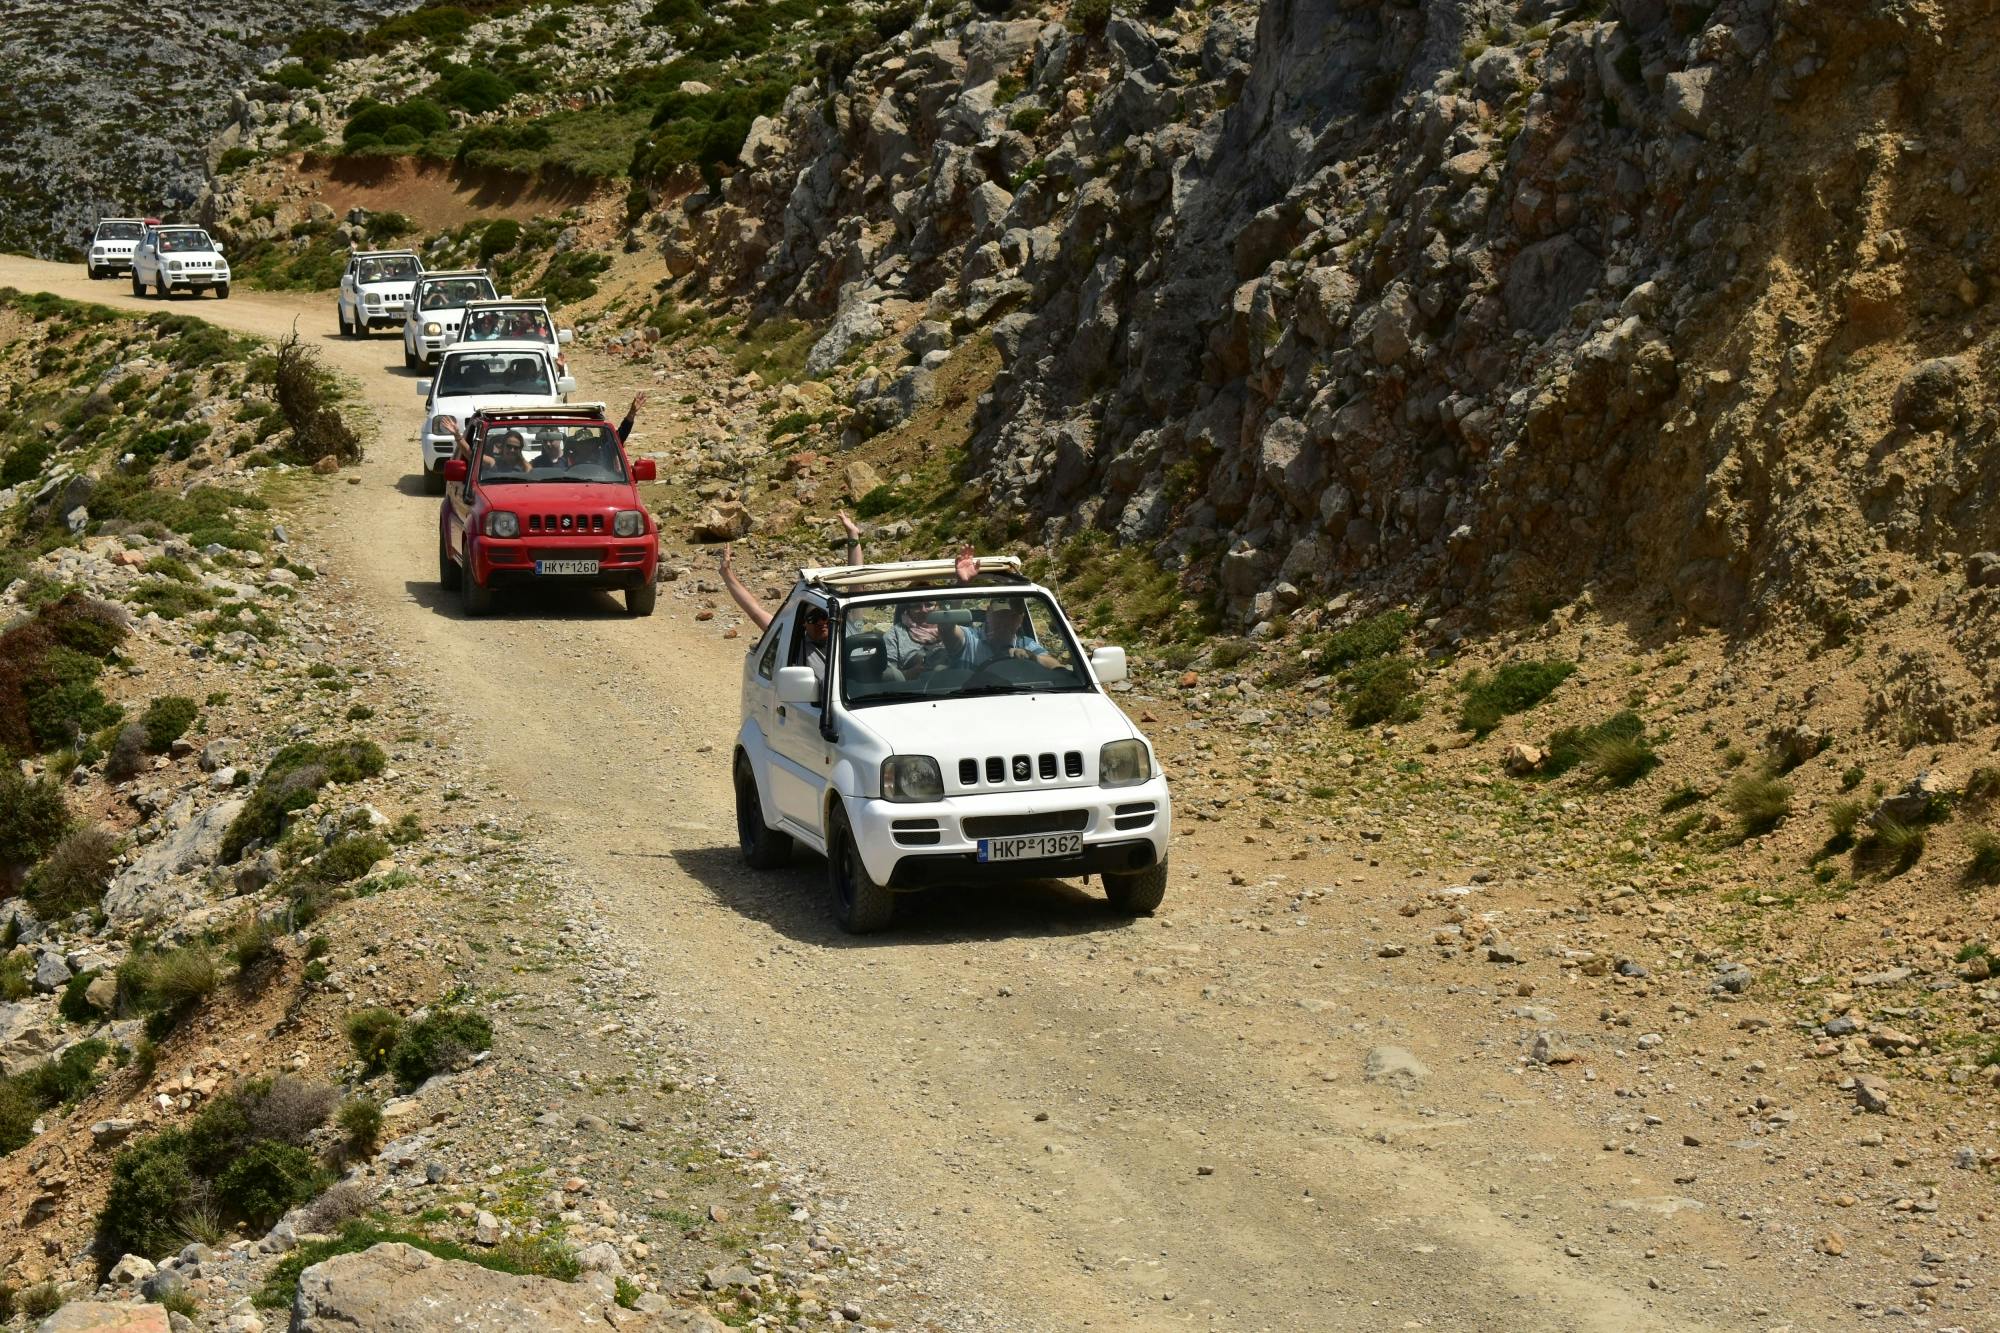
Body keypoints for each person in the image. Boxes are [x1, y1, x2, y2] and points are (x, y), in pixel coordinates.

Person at [971, 597, 1059, 669]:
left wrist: (1033, 658)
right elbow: (957, 634)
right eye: (1001, 615)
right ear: (989, 613)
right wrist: (961, 584)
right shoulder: (971, 639)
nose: (1006, 621)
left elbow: (1054, 665)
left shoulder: (1025, 644)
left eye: (1013, 616)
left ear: (1020, 620)